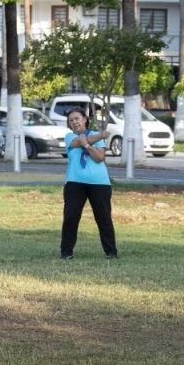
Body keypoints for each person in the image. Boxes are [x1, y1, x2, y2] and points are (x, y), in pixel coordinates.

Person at [60, 107, 118, 260]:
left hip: (99, 183)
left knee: (104, 217)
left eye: (77, 118)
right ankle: (66, 252)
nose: (74, 122)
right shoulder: (69, 136)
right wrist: (100, 136)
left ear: (85, 119)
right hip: (74, 183)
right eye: (71, 120)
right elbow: (79, 141)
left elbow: (99, 157)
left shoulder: (94, 137)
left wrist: (87, 145)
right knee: (71, 217)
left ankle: (111, 252)